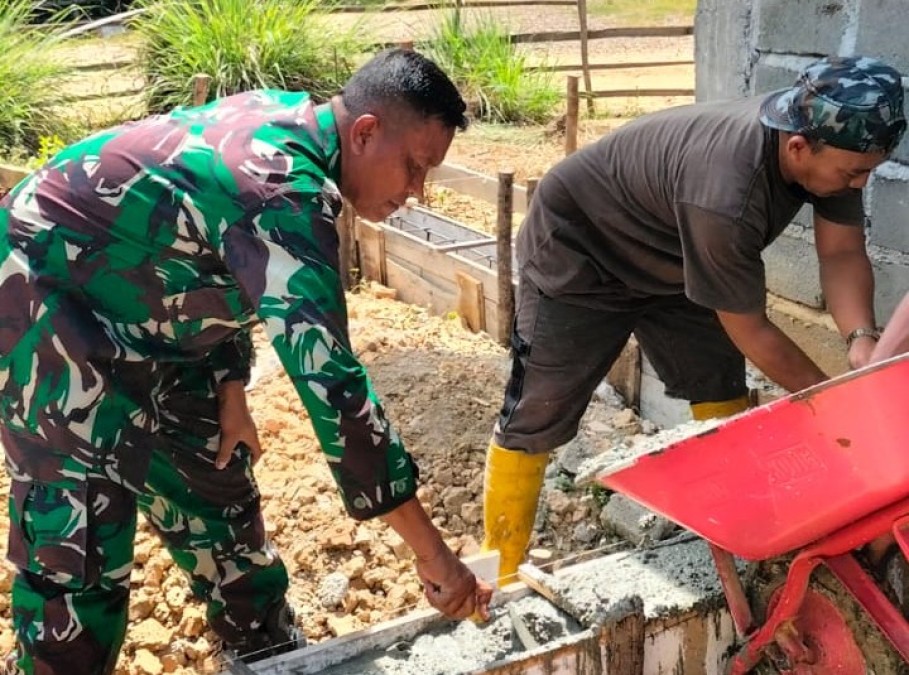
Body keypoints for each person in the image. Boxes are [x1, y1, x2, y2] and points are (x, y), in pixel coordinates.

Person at [0, 47, 492, 673]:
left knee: (216, 484)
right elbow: (333, 384)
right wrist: (432, 554)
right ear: (366, 133)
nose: (415, 193)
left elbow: (213, 261)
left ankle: (263, 648)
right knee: (82, 539)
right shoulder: (283, 186)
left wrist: (231, 387)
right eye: (415, 168)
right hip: (45, 299)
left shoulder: (296, 125)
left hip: (153, 318)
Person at [481, 55, 908, 582]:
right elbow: (752, 329)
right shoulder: (728, 194)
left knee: (718, 383)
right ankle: (498, 572)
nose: (860, 184)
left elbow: (841, 254)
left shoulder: (833, 152)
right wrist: (837, 405)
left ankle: (744, 525)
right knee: (539, 411)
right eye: (854, 173)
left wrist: (861, 341)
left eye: (868, 170)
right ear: (798, 147)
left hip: (675, 255)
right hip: (581, 249)